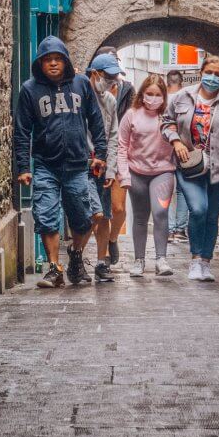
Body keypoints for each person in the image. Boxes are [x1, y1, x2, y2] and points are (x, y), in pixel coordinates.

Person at [15, 36, 107, 288]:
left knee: (83, 217)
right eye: (48, 60)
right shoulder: (30, 90)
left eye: (58, 59)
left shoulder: (81, 84)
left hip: (77, 164)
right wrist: (23, 167)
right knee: (46, 215)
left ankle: (75, 256)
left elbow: (96, 120)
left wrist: (100, 154)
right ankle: (54, 268)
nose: (53, 63)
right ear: (40, 63)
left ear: (65, 61)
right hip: (46, 164)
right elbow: (22, 131)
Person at [162, 56, 219, 282]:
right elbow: (167, 122)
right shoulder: (183, 97)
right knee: (199, 209)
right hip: (189, 165)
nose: (212, 77)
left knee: (211, 215)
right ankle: (195, 259)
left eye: (218, 74)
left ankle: (205, 262)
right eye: (209, 72)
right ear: (201, 72)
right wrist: (176, 141)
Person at [117, 75, 176, 278]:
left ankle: (161, 259)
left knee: (160, 213)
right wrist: (124, 175)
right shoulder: (131, 115)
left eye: (158, 94)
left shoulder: (168, 116)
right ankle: (139, 260)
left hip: (163, 172)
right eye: (149, 93)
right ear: (142, 94)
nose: (153, 98)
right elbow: (122, 146)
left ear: (164, 96)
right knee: (140, 217)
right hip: (137, 173)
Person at [93, 46, 134, 266]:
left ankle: (113, 238)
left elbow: (130, 118)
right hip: (96, 155)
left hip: (118, 152)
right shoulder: (89, 90)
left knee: (118, 208)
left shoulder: (127, 89)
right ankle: (102, 256)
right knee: (99, 211)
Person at [85, 53, 122, 282]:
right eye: (107, 77)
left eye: (114, 77)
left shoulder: (110, 100)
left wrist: (111, 170)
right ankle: (77, 257)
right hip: (85, 164)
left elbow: (113, 136)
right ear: (95, 74)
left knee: (105, 215)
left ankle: (101, 262)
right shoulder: (80, 96)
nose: (111, 81)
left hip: (103, 167)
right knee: (93, 215)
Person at [165, 69, 189, 242]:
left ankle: (169, 229)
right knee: (183, 189)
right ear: (182, 83)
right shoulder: (186, 99)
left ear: (167, 83)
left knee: (166, 190)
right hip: (183, 149)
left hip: (164, 150)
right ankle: (180, 230)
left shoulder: (161, 100)